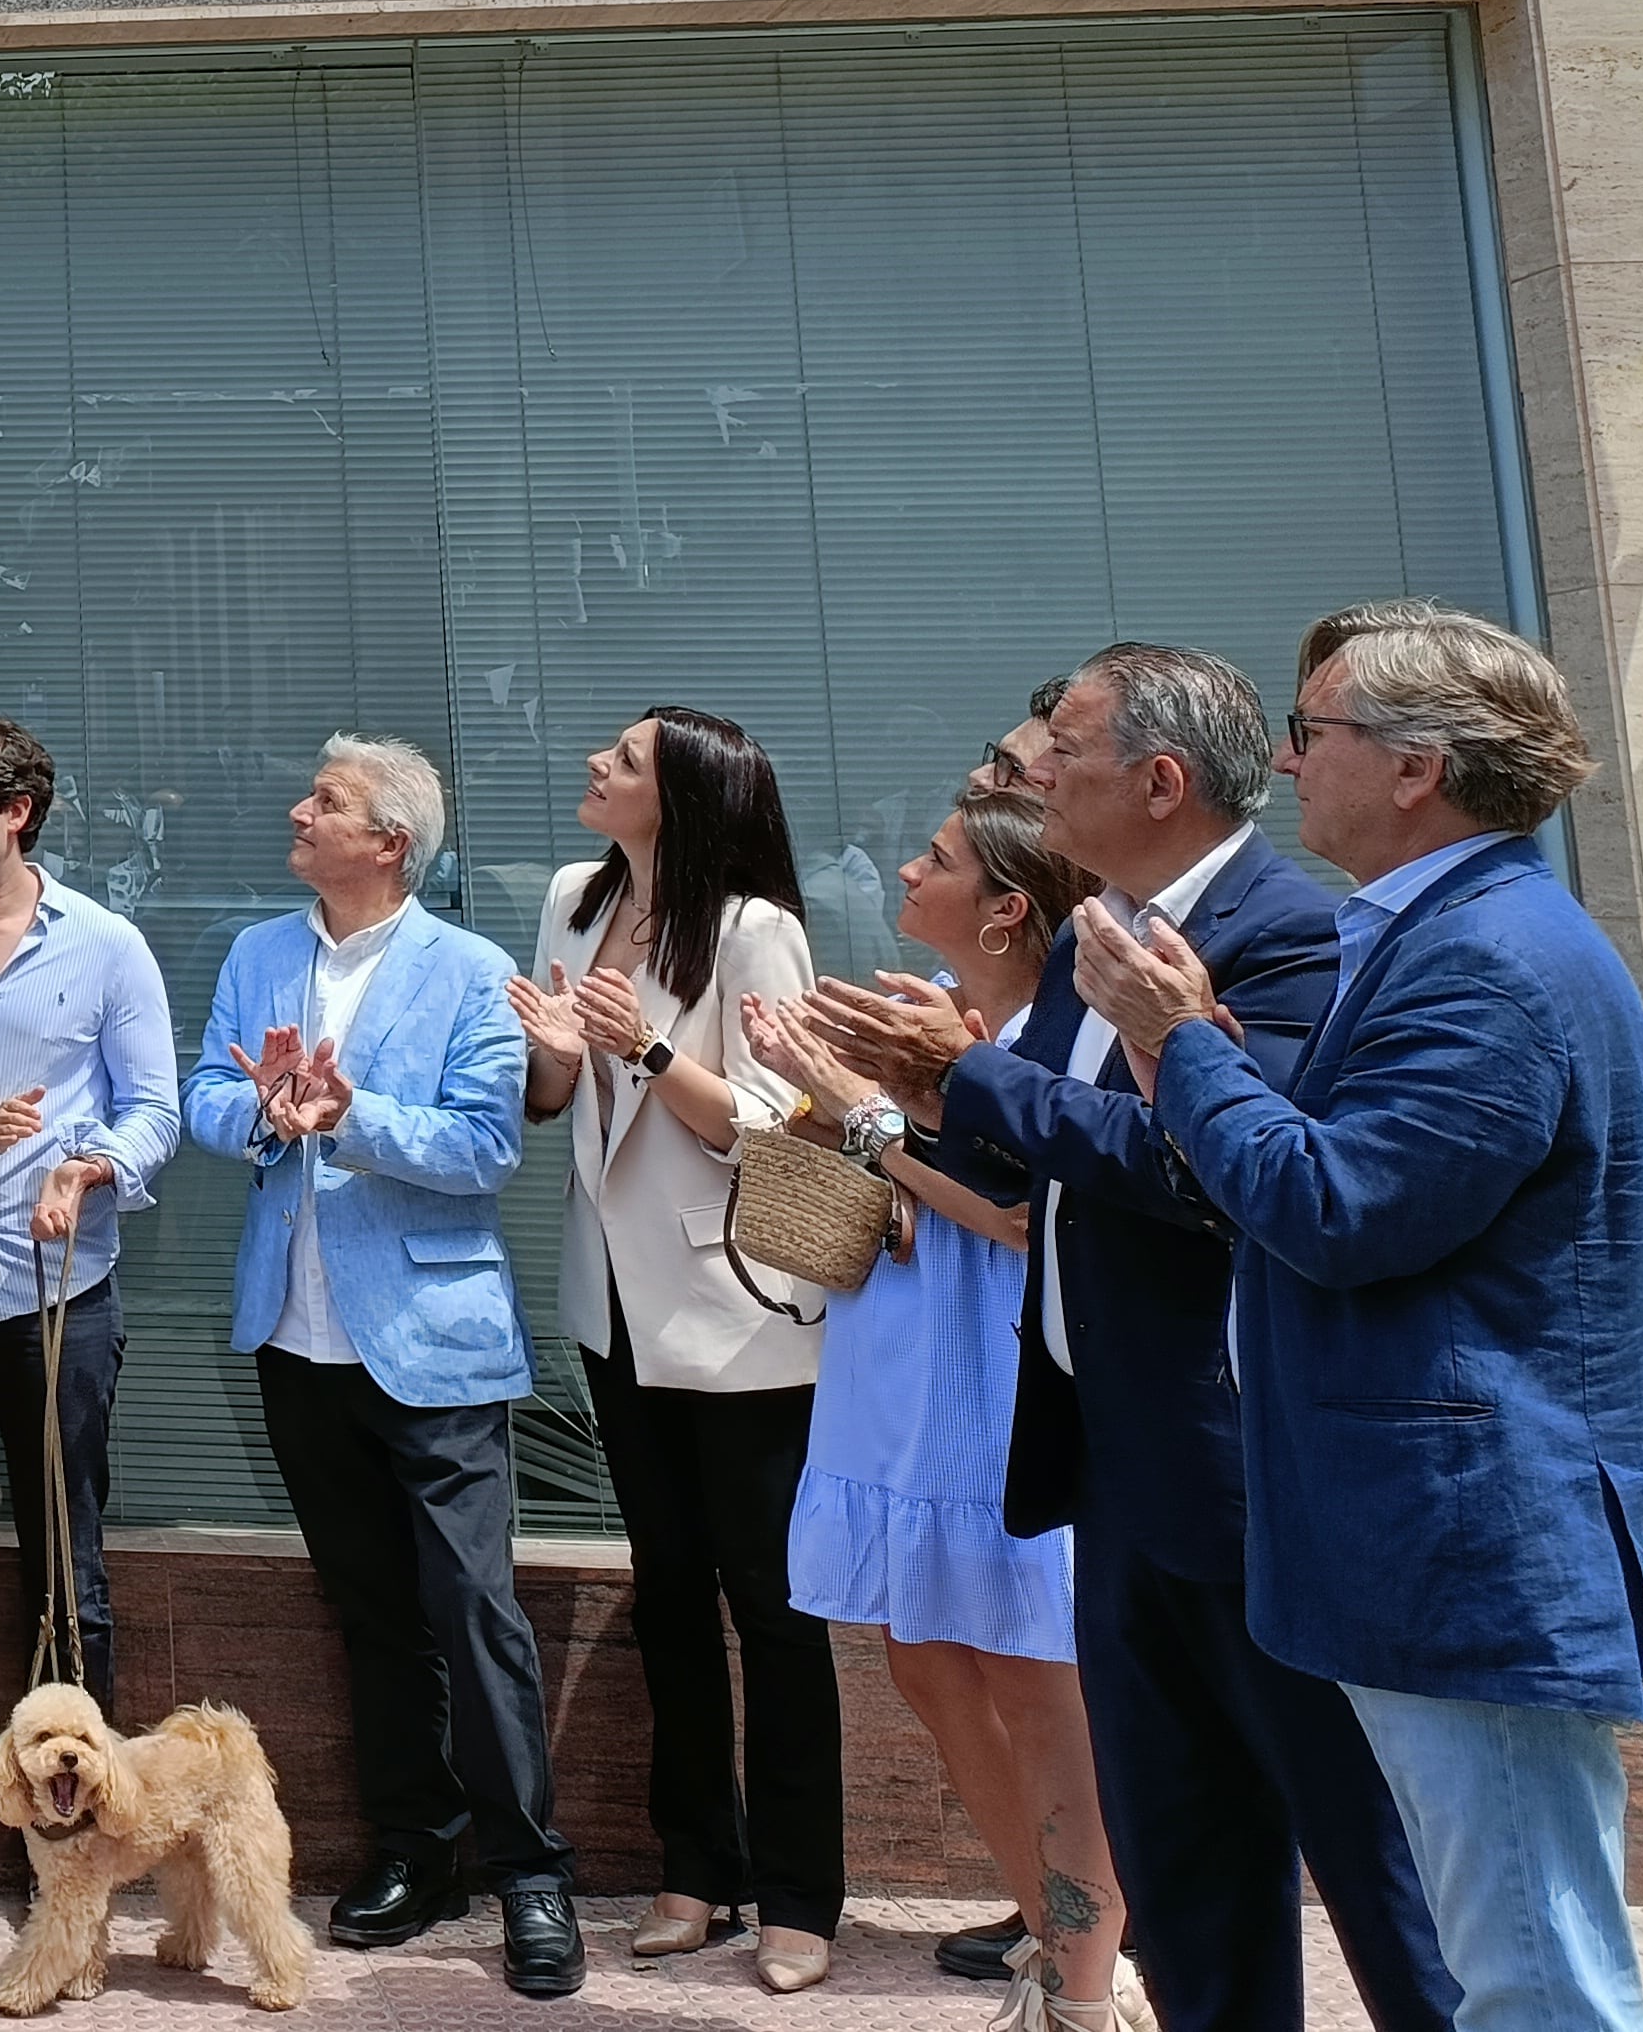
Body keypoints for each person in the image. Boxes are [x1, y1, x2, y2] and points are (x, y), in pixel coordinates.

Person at [806, 642, 1457, 2032]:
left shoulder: (1284, 933)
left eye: (1065, 757)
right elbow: (1042, 1163)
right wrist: (911, 1095)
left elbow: (1199, 1170)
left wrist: (961, 1074)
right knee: (1186, 1867)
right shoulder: (1097, 929)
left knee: (1364, 1861)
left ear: (1160, 783)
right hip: (1114, 1465)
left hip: (1240, 1477)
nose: (1032, 779)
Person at [1084, 610, 1643, 2032]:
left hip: (1469, 1542)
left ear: (1417, 770)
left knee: (1528, 1970)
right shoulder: (1450, 933)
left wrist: (1178, 1041)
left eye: (1312, 731)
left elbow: (1338, 1210)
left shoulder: (1488, 960)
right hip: (1442, 1535)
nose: (1284, 760)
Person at [183, 737, 579, 2000]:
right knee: (368, 1611)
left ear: (390, 842)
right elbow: (202, 1093)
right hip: (296, 1336)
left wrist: (347, 1112)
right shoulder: (257, 953)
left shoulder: (470, 972)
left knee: (474, 1609)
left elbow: (481, 1152)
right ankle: (419, 1847)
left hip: (434, 1345)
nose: (300, 812)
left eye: (328, 802)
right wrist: (260, 1111)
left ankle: (530, 1874)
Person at [742, 793, 1127, 2032]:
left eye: (942, 861)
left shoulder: (1069, 1030)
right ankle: (1068, 1957)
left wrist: (862, 1106)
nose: (908, 868)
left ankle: (1086, 1976)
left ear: (1010, 908)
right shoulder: (926, 1005)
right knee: (920, 1656)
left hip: (996, 1365)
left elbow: (1024, 1214)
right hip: (897, 1351)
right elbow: (893, 1174)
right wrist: (825, 1102)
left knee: (1030, 1677)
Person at [508, 709, 834, 1988]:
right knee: (668, 1597)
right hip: (612, 1304)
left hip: (738, 1306)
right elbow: (553, 1102)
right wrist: (550, 1055)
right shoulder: (572, 900)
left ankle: (802, 1893)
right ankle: (698, 1866)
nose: (596, 762)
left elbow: (775, 1119)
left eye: (627, 757)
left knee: (775, 1605)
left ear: (687, 796)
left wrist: (641, 1045)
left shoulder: (754, 929)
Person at [0, 716, 178, 1720]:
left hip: (56, 1295)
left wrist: (89, 1165)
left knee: (64, 1564)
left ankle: (65, 1843)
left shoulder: (107, 947)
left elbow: (155, 1107)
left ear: (15, 814)